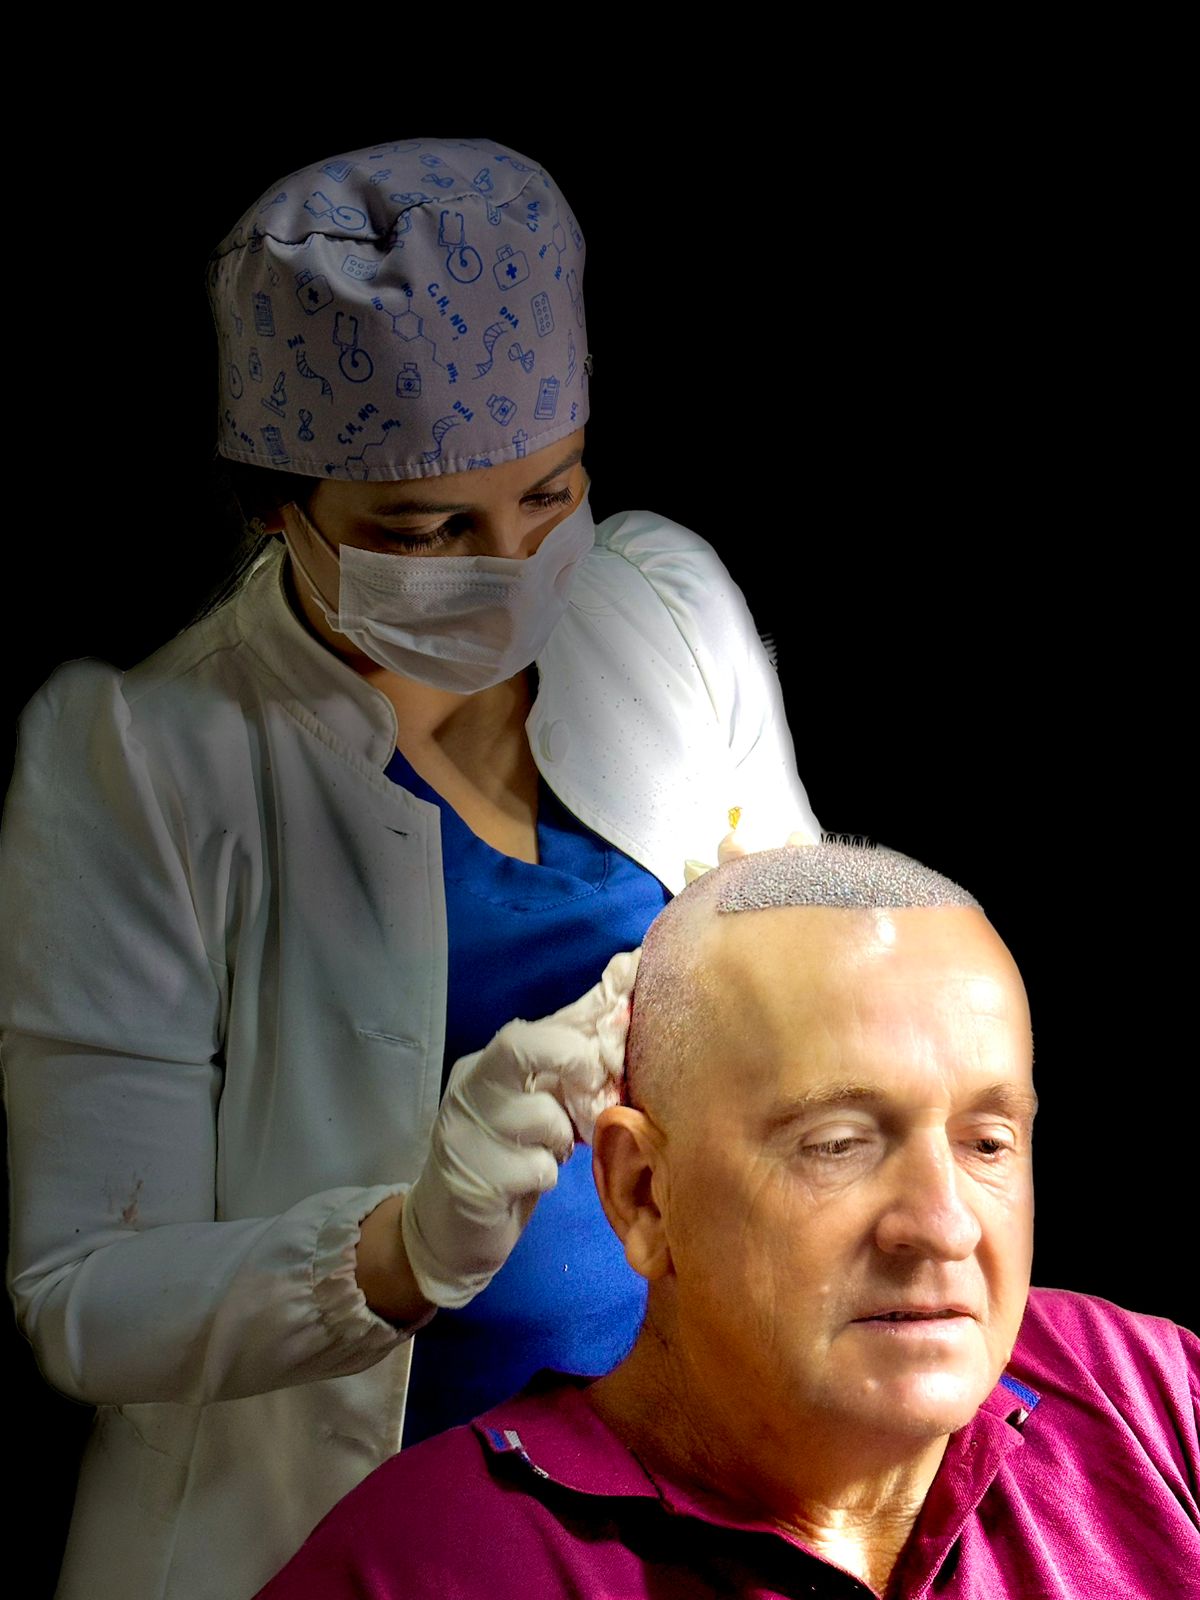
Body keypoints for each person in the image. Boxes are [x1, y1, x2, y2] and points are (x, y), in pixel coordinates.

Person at [0, 138, 818, 1600]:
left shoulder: (664, 611)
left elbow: (812, 985)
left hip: (681, 1496)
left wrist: (793, 984)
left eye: (549, 496)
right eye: (427, 531)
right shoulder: (145, 760)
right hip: (338, 1535)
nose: (509, 566)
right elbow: (86, 1298)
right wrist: (405, 1248)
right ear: (278, 507)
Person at [254, 842, 1200, 1600]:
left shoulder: (1150, 1396)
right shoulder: (420, 1568)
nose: (943, 1225)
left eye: (988, 1143)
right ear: (643, 1193)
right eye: (838, 1144)